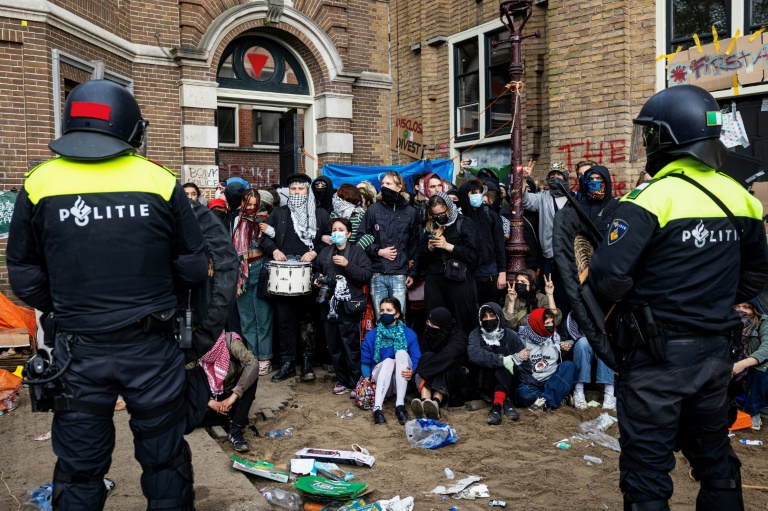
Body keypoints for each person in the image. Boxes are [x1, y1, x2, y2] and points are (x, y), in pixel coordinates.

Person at [7, 80, 208, 510]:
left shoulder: (39, 182)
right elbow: (193, 266)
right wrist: (155, 297)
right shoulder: (159, 180)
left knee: (79, 467)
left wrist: (68, 304)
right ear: (130, 127)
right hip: (151, 350)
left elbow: (23, 275)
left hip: (77, 352)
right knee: (165, 461)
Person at [589, 85, 768, 510]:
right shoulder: (741, 197)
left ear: (669, 137)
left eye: (650, 135)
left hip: (656, 361)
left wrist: (649, 306)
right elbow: (758, 276)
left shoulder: (651, 198)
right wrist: (711, 301)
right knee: (715, 461)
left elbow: (607, 278)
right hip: (714, 356)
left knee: (647, 471)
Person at [259, 173, 331, 382]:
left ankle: (307, 363)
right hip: (283, 276)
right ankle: (288, 362)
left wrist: (315, 252)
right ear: (288, 191)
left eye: (300, 189)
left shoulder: (320, 214)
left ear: (307, 190)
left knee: (308, 320)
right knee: (285, 321)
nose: (297, 193)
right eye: (293, 190)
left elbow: (328, 239)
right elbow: (264, 238)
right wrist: (274, 251)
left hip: (309, 273)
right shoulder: (279, 213)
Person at [314, 218, 373, 395]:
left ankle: (355, 381)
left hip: (349, 305)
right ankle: (341, 380)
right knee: (334, 347)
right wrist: (317, 279)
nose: (337, 232)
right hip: (329, 305)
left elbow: (366, 275)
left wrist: (348, 265)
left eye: (341, 229)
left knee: (351, 346)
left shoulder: (357, 252)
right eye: (334, 229)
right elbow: (317, 270)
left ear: (348, 233)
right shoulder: (325, 252)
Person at [358, 172, 419, 319]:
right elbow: (361, 237)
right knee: (381, 318)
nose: (385, 187)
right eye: (383, 184)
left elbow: (415, 244)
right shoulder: (373, 210)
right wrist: (378, 251)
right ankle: (381, 343)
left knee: (398, 317)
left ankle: (399, 343)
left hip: (399, 272)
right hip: (377, 271)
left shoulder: (411, 212)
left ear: (399, 187)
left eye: (389, 184)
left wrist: (412, 273)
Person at [418, 192, 479, 335]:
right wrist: (429, 248)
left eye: (442, 213)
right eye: (435, 215)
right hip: (434, 279)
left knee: (461, 320)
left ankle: (462, 353)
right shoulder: (430, 226)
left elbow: (473, 255)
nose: (439, 217)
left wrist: (448, 246)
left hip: (458, 279)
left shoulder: (464, 223)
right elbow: (420, 255)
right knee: (435, 320)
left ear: (449, 208)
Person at [361, 297, 421, 425]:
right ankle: (377, 409)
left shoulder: (409, 334)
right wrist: (367, 377)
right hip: (381, 380)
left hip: (403, 379)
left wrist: (412, 370)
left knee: (401, 353)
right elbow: (365, 362)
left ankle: (400, 406)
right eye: (382, 310)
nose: (384, 313)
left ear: (397, 314)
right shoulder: (372, 335)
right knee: (388, 361)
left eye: (389, 310)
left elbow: (416, 358)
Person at [233, 189, 274, 375]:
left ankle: (265, 358)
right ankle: (252, 357)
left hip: (260, 268)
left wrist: (270, 231)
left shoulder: (266, 219)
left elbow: (275, 242)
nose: (250, 208)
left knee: (263, 316)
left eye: (253, 204)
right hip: (241, 271)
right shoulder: (236, 219)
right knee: (247, 318)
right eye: (247, 204)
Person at [196, 331, 259, 452]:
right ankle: (231, 419)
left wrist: (232, 398)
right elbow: (187, 378)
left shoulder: (229, 340)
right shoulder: (192, 342)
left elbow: (253, 363)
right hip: (205, 399)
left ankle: (235, 427)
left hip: (229, 396)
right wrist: (210, 402)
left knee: (251, 375)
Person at [467, 302, 528, 425]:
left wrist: (511, 360)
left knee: (503, 351)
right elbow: (473, 354)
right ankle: (504, 401)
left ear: (499, 316)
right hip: (484, 381)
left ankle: (497, 405)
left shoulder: (510, 334)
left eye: (492, 315)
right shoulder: (476, 334)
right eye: (485, 316)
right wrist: (502, 360)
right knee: (496, 354)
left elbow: (524, 359)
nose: (488, 319)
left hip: (510, 381)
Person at [514, 308, 575, 412]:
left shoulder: (554, 337)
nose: (550, 326)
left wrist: (569, 343)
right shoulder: (522, 339)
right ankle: (556, 398)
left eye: (551, 322)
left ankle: (543, 401)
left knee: (569, 366)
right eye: (547, 323)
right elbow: (512, 361)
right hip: (533, 383)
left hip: (553, 379)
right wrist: (518, 356)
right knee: (522, 393)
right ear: (537, 325)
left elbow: (568, 343)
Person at [412, 307, 469, 419]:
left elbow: (448, 356)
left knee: (446, 364)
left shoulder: (458, 337)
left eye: (433, 324)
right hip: (431, 375)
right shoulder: (428, 333)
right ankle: (425, 402)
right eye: (428, 322)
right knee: (427, 357)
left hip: (455, 380)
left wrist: (421, 372)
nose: (429, 326)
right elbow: (425, 355)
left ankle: (436, 402)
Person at [458, 179, 506, 306]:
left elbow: (499, 246)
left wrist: (502, 273)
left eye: (480, 192)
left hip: (488, 270)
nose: (477, 196)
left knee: (490, 307)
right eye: (473, 193)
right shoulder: (458, 217)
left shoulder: (490, 215)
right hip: (466, 271)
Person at [731, 301, 768, 431]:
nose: (741, 310)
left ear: (754, 310)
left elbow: (766, 348)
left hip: (754, 366)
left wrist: (743, 364)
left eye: (746, 307)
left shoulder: (763, 322)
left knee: (762, 368)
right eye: (736, 307)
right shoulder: (726, 323)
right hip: (735, 367)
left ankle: (753, 411)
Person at [566, 312, 615, 410]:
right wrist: (569, 342)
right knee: (582, 342)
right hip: (580, 349)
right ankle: (579, 391)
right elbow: (564, 338)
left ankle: (609, 393)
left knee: (603, 343)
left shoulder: (603, 312)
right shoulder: (572, 318)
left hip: (601, 346)